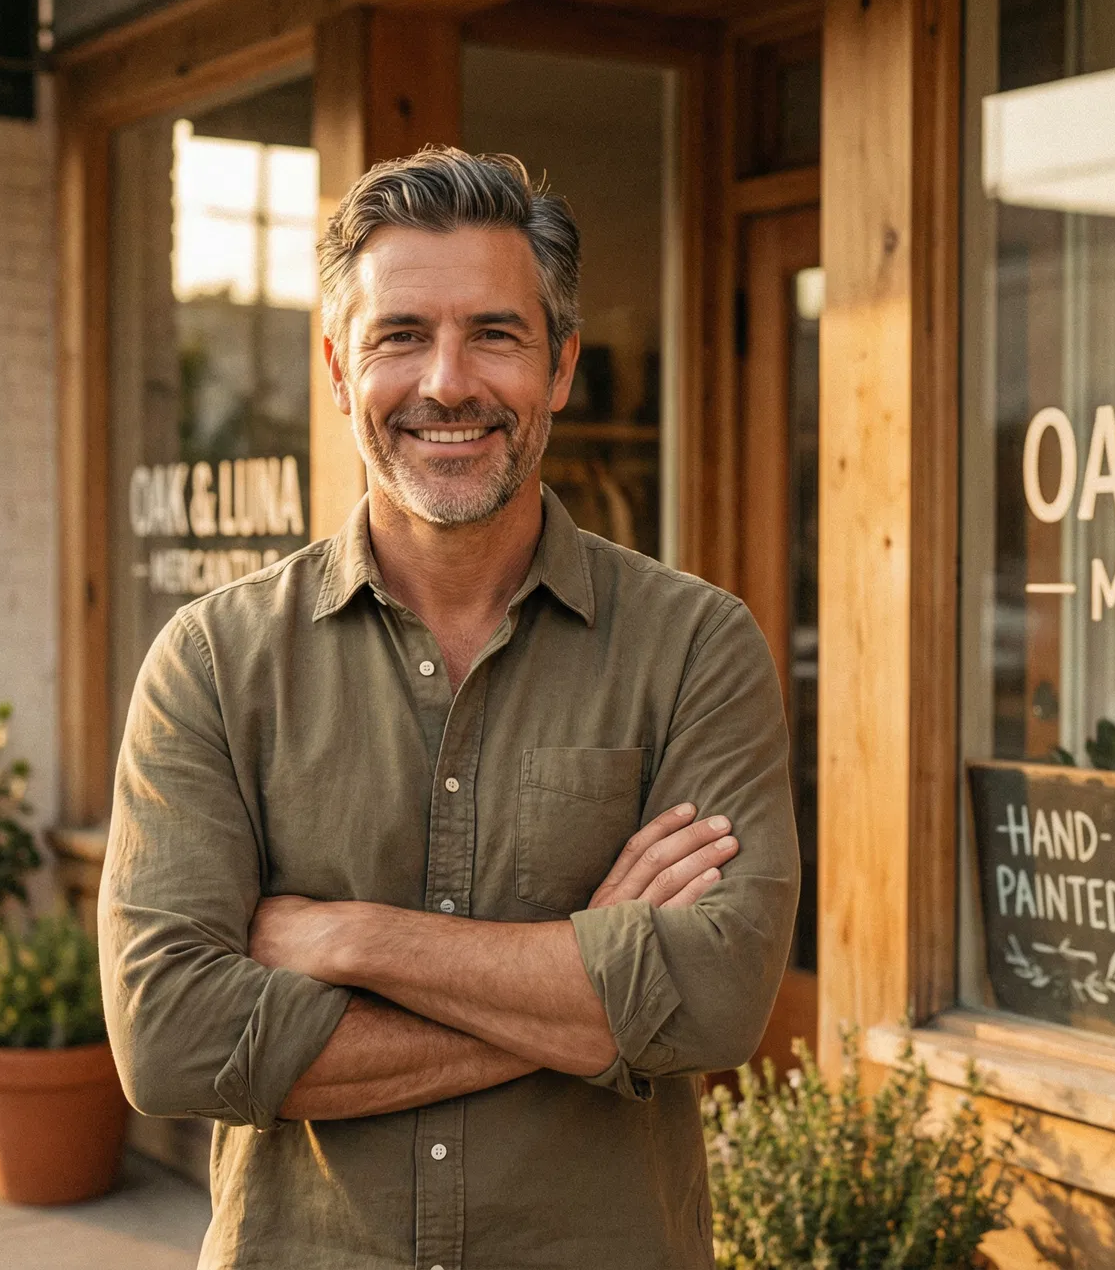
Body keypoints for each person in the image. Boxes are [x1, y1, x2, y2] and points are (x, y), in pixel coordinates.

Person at [99, 147, 799, 1269]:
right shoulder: (215, 663)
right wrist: (586, 990)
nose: (448, 381)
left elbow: (711, 1001)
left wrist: (349, 938)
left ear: (562, 365)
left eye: (496, 333)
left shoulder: (695, 647)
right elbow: (172, 1038)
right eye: (401, 335)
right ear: (337, 368)